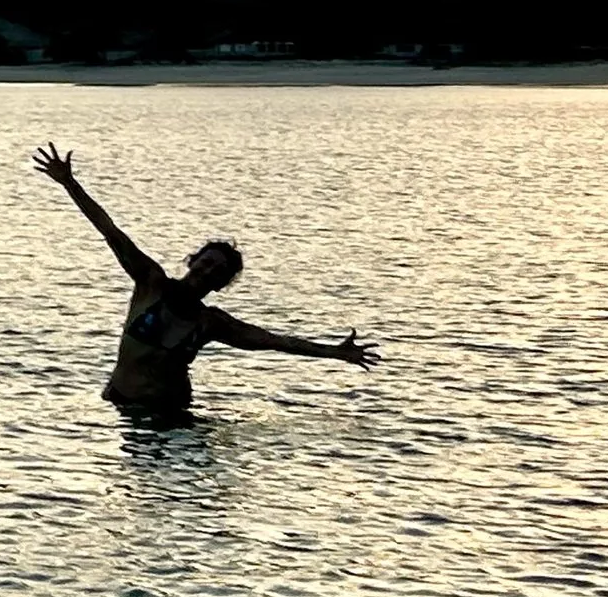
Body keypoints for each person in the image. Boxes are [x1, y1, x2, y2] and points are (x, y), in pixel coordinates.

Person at [32, 143, 380, 412]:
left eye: (218, 271)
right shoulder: (150, 282)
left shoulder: (211, 323)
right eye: (206, 262)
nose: (208, 270)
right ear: (192, 261)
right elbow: (110, 231)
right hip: (120, 402)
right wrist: (69, 183)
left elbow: (274, 341)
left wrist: (334, 352)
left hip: (172, 412)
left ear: (222, 283)